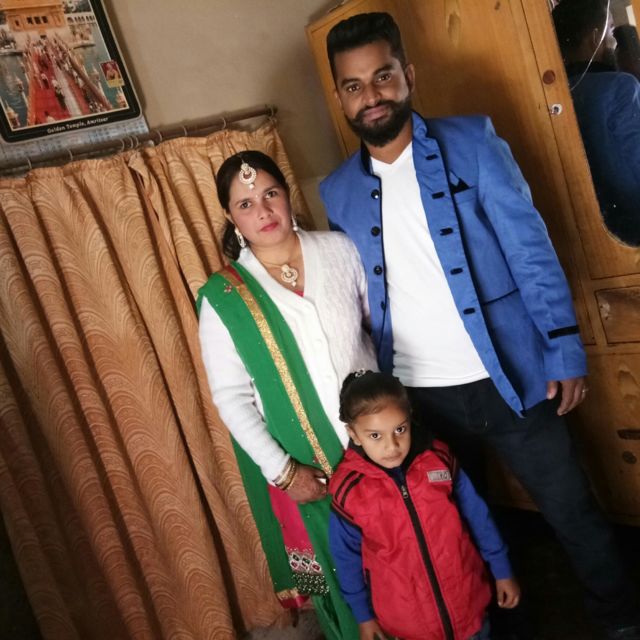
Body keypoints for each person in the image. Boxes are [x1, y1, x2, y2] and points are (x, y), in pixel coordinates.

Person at [319, 11, 640, 639]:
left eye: (382, 76)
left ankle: (620, 620)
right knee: (460, 527)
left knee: (571, 509)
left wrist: (563, 348)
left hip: (510, 373)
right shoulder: (338, 192)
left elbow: (530, 247)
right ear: (341, 96)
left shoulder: (471, 141)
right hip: (418, 397)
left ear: (408, 75)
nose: (371, 95)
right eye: (354, 85)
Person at [197, 150, 378, 640]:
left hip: (380, 449)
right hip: (309, 471)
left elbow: (378, 329)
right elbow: (231, 398)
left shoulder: (340, 250)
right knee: (343, 590)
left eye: (270, 194)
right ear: (231, 216)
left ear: (287, 194)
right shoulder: (224, 298)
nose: (263, 210)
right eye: (246, 204)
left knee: (408, 566)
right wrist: (284, 472)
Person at [329, 370, 520, 640]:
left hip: (468, 605)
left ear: (410, 419)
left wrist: (501, 570)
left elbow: (479, 518)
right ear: (354, 434)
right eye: (375, 436)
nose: (392, 446)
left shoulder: (438, 458)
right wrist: (364, 616)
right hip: (408, 623)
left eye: (400, 430)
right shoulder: (349, 490)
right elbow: (346, 558)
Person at [553, 0, 640, 246]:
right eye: (610, 31)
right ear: (594, 38)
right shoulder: (620, 87)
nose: (613, 42)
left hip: (597, 229)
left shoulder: (559, 94)